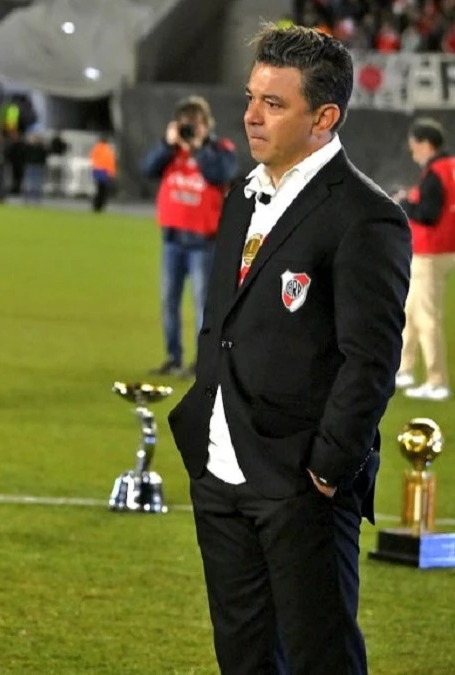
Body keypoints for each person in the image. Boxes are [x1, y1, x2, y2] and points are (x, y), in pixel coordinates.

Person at [167, 24, 410, 675]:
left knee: (319, 658)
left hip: (301, 481)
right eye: (251, 97)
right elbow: (222, 323)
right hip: (220, 469)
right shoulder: (240, 196)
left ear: (324, 116)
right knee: (243, 657)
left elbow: (371, 360)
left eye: (274, 103)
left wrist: (326, 468)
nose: (250, 114)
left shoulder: (365, 216)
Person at [142, 95, 239, 378]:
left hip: (203, 243)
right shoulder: (172, 152)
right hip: (172, 239)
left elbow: (221, 173)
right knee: (168, 302)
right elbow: (147, 169)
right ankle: (173, 358)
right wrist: (166, 143)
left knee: (201, 306)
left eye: (195, 125)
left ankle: (204, 363)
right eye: (185, 125)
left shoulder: (221, 149)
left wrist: (198, 149)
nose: (189, 131)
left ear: (207, 125)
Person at [393, 118, 455, 401]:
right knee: (412, 312)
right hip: (442, 250)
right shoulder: (449, 168)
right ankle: (404, 370)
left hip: (430, 252)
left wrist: (405, 202)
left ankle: (437, 381)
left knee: (426, 318)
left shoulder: (434, 173)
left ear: (426, 144)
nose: (412, 152)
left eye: (415, 146)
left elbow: (428, 214)